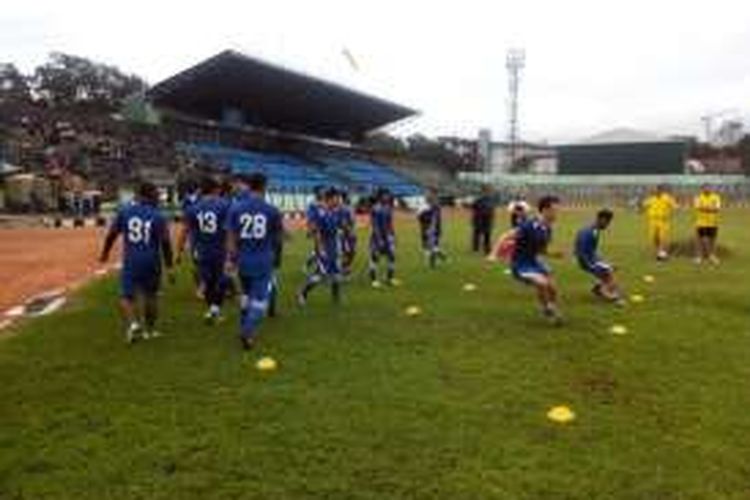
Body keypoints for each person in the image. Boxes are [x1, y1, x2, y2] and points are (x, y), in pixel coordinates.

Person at [99, 181, 174, 343]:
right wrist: (169, 267)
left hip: (132, 259)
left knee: (126, 296)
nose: (158, 198)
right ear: (149, 195)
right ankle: (150, 331)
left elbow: (112, 234)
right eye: (156, 195)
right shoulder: (158, 216)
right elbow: (166, 244)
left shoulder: (125, 212)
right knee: (151, 295)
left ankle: (133, 325)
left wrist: (105, 253)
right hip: (152, 260)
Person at [225, 173, 283, 351]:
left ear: (249, 186)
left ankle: (243, 326)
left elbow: (230, 237)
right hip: (263, 260)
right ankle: (247, 331)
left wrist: (230, 259)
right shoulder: (272, 210)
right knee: (260, 302)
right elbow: (278, 238)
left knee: (246, 296)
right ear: (264, 187)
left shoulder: (236, 208)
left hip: (243, 259)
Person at [496, 195, 563, 325]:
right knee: (542, 283)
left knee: (553, 288)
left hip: (534, 261)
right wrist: (494, 254)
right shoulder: (529, 225)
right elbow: (505, 236)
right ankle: (547, 310)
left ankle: (551, 307)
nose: (556, 214)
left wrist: (553, 254)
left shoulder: (547, 228)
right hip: (521, 264)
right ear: (544, 210)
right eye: (554, 210)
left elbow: (540, 250)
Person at [176, 176, 230, 324]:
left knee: (208, 283)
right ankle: (215, 310)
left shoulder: (193, 208)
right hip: (219, 248)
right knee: (223, 280)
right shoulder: (224, 205)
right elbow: (230, 229)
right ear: (215, 189)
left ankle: (212, 310)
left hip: (201, 250)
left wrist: (179, 251)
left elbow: (184, 231)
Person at [298, 188, 343, 305]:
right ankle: (302, 292)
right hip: (324, 246)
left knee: (337, 273)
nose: (338, 200)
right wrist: (321, 248)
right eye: (336, 198)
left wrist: (339, 233)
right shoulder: (321, 213)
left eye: (338, 197)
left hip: (334, 246)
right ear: (329, 199)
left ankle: (336, 298)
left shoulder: (335, 211)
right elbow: (316, 231)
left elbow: (337, 228)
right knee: (321, 274)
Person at [575, 209, 624, 305]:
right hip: (587, 261)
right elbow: (581, 251)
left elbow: (592, 250)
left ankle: (598, 288)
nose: (608, 225)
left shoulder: (595, 230)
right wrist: (591, 266)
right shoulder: (589, 232)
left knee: (610, 271)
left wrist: (603, 262)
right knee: (610, 277)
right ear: (602, 219)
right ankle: (608, 295)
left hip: (591, 259)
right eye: (607, 222)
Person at [369, 188, 397, 287]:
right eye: (385, 195)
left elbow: (390, 223)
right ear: (380, 196)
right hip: (377, 237)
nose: (387, 196)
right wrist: (379, 239)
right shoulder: (375, 208)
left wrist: (393, 235)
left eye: (388, 195)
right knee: (375, 258)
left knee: (392, 257)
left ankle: (390, 278)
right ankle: (374, 280)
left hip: (387, 236)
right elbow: (375, 225)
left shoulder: (388, 208)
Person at [643, 185, 678, 261]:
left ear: (661, 190)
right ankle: (658, 251)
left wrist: (672, 211)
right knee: (654, 237)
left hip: (663, 221)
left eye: (658, 190)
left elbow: (675, 206)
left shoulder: (667, 198)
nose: (656, 191)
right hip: (653, 221)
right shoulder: (651, 199)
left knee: (663, 237)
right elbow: (644, 205)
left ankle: (662, 253)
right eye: (655, 190)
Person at [418, 188, 446, 268]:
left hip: (434, 228)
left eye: (434, 195)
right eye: (430, 194)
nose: (433, 197)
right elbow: (420, 218)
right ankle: (437, 258)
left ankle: (433, 262)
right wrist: (426, 226)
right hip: (427, 228)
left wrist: (438, 228)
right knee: (427, 246)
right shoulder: (424, 207)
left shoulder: (436, 206)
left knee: (432, 245)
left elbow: (438, 219)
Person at [693, 184, 721, 264]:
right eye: (705, 188)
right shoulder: (698, 197)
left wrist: (706, 208)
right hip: (701, 222)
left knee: (713, 240)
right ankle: (700, 256)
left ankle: (712, 256)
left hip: (713, 222)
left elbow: (717, 208)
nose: (707, 189)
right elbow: (698, 207)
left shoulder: (716, 197)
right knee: (702, 240)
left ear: (711, 189)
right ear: (702, 189)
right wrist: (710, 208)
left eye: (708, 188)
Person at [471, 184, 495, 254]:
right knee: (477, 234)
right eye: (487, 190)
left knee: (487, 234)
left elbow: (492, 209)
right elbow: (474, 207)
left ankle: (487, 249)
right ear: (483, 191)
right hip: (479, 219)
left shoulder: (491, 199)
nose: (489, 192)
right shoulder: (479, 199)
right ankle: (475, 249)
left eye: (489, 190)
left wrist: (492, 218)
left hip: (488, 220)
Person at [338, 190, 357, 277]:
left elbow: (352, 220)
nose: (351, 198)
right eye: (349, 196)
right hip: (345, 234)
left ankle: (345, 268)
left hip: (352, 233)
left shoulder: (350, 207)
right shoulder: (343, 208)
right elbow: (343, 222)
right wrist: (348, 231)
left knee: (352, 252)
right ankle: (343, 270)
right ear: (345, 197)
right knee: (347, 252)